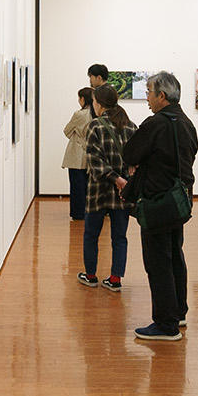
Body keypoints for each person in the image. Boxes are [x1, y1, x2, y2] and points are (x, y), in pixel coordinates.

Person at [117, 69, 197, 341]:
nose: (147, 100)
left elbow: (129, 153)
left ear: (161, 95)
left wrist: (143, 162)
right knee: (175, 255)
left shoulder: (156, 124)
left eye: (149, 94)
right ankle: (178, 312)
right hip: (179, 201)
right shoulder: (186, 123)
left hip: (157, 201)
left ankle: (166, 324)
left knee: (158, 261)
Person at [79, 84, 134, 292]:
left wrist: (114, 178)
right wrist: (123, 180)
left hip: (98, 192)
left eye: (94, 102)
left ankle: (91, 275)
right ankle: (115, 279)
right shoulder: (131, 126)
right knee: (120, 237)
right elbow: (136, 160)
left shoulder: (95, 126)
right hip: (123, 193)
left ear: (99, 104)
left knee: (91, 235)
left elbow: (94, 160)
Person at [61, 86, 94, 221]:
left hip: (76, 154)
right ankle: (89, 211)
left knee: (76, 186)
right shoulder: (96, 114)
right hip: (91, 153)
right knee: (88, 185)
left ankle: (78, 213)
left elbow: (67, 131)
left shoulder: (79, 114)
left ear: (83, 99)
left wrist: (76, 133)